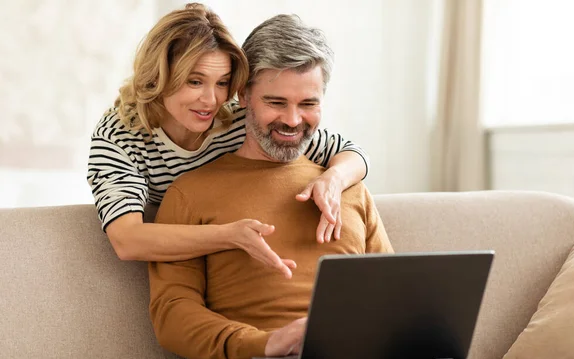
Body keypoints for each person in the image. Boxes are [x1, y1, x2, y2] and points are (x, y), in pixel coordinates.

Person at [148, 14, 504, 359]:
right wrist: (265, 342)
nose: (292, 119)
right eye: (276, 102)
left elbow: (390, 294)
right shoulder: (191, 193)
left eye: (308, 104)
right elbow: (172, 315)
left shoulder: (347, 187)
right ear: (244, 95)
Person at [86, 3, 370, 277]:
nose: (211, 100)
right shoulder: (119, 135)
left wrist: (333, 180)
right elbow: (127, 240)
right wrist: (231, 235)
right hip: (188, 249)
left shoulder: (236, 117)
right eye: (195, 81)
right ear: (158, 76)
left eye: (222, 82)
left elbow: (349, 153)